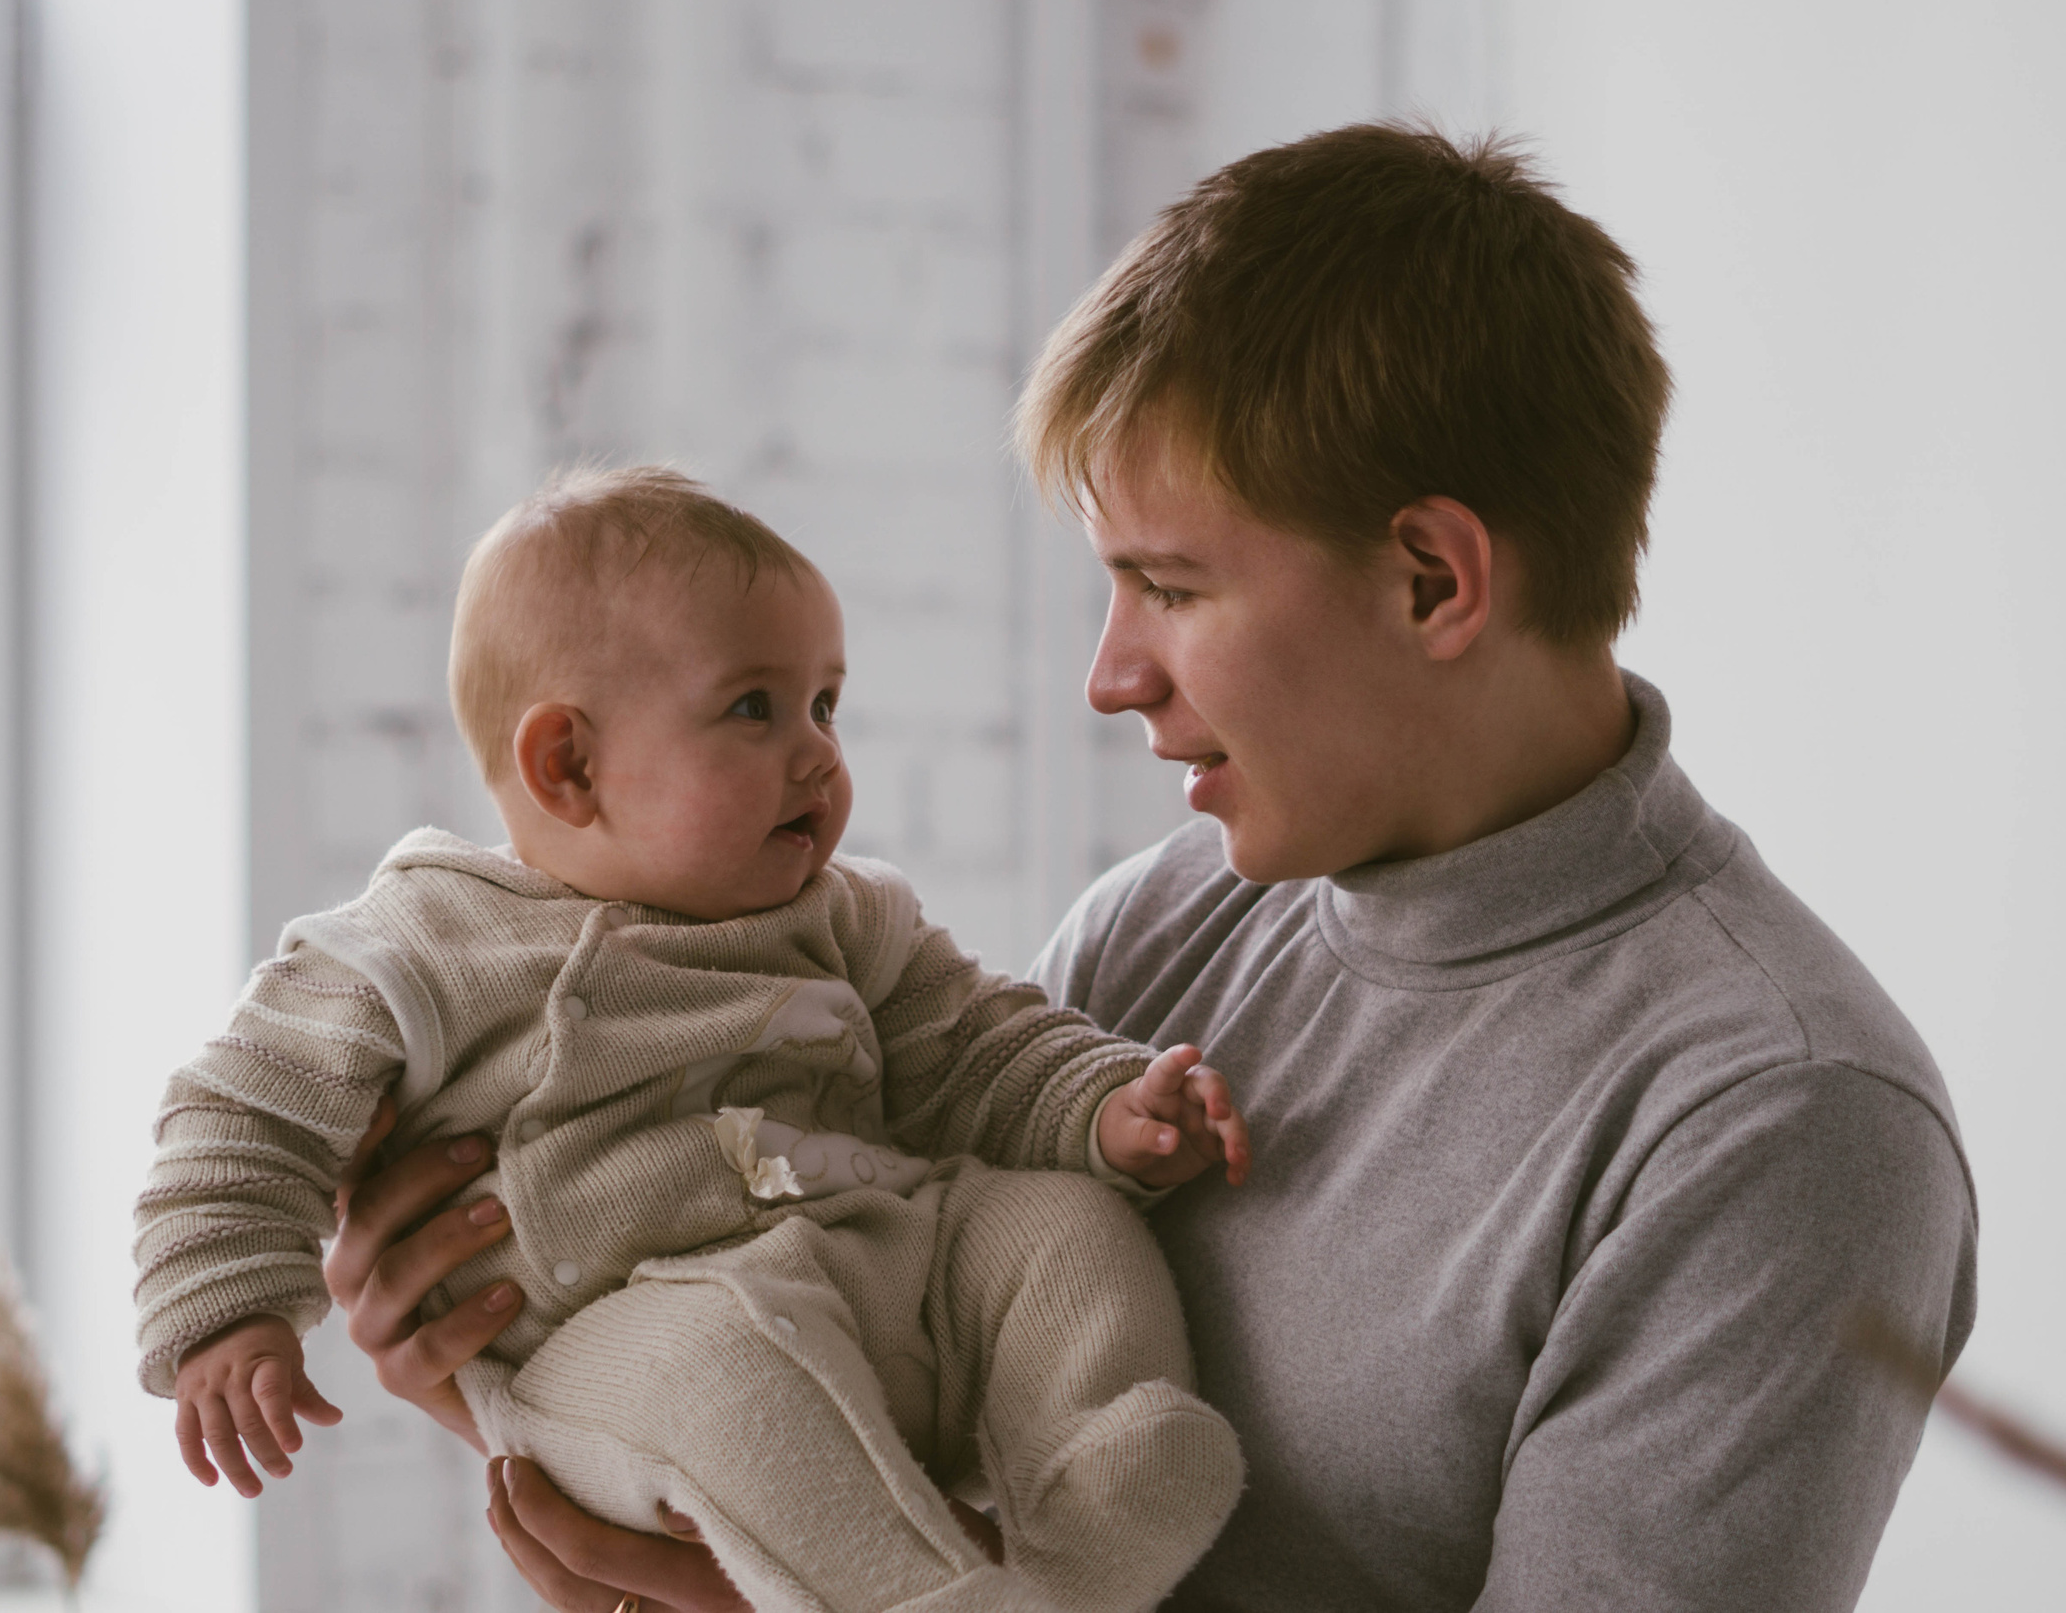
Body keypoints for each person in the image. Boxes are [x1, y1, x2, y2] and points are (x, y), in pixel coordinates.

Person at [331, 124, 1978, 1612]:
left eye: (1171, 588)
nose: (1109, 674)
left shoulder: (1781, 1119)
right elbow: (845, 1363)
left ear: (1431, 578)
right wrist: (515, 1332)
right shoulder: (1158, 934)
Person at [136, 468, 1253, 1613]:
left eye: (825, 706)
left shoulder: (847, 917)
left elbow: (976, 1048)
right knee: (724, 1370)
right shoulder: (423, 944)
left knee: (1055, 1220)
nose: (819, 755)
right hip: (631, 1343)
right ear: (569, 766)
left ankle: (1099, 1494)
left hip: (891, 1281)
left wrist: (1104, 1109)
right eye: (755, 709)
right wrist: (231, 1311)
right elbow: (242, 1110)